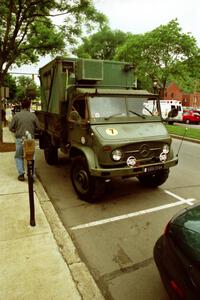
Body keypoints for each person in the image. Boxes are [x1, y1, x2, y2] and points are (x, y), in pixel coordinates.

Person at [9, 99, 40, 181]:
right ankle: (31, 175)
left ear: (21, 105)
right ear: (29, 105)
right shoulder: (33, 116)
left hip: (19, 139)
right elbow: (38, 127)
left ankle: (21, 174)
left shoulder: (16, 116)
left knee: (19, 156)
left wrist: (17, 131)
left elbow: (10, 128)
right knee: (31, 157)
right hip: (30, 140)